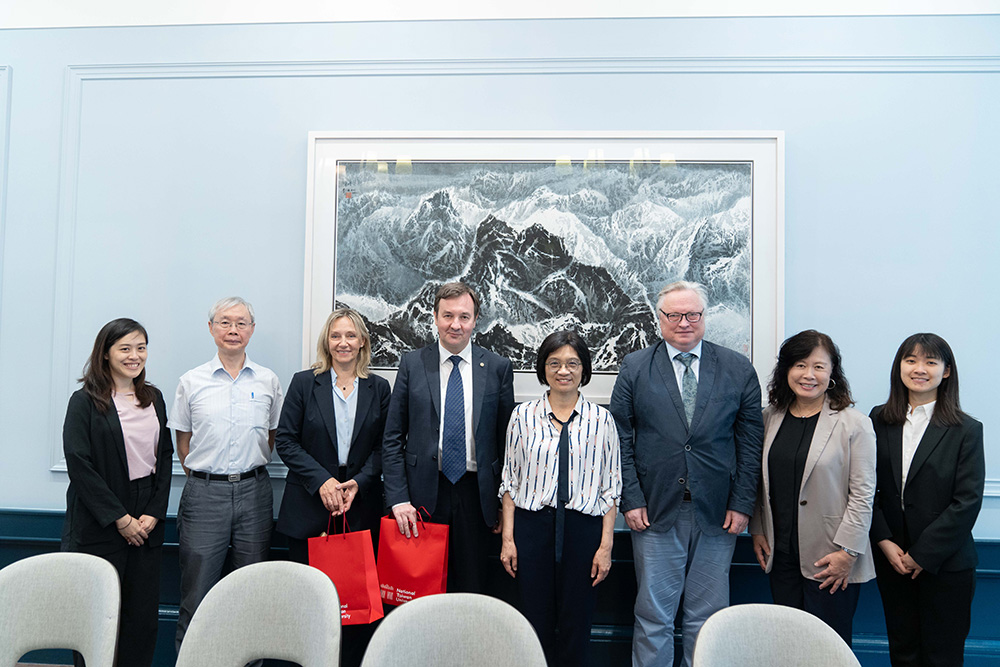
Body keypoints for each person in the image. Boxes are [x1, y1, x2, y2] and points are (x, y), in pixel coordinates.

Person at [609, 280, 764, 667]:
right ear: (659, 318)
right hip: (654, 510)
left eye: (692, 314)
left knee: (708, 617)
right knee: (653, 616)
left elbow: (750, 443)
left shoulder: (737, 368)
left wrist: (743, 503)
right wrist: (631, 498)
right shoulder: (635, 367)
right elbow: (620, 438)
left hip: (718, 512)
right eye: (675, 315)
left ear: (704, 317)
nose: (684, 323)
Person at [275, 308, 391, 667]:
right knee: (308, 607)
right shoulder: (303, 383)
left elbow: (385, 447)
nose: (343, 342)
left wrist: (359, 482)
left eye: (351, 335)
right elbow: (286, 441)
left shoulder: (379, 388)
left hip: (360, 510)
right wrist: (322, 481)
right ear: (327, 341)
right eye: (336, 335)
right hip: (308, 509)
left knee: (357, 612)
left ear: (362, 342)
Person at [382, 281, 515, 593]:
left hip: (477, 496)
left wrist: (502, 502)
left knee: (472, 588)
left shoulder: (497, 368)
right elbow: (392, 438)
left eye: (464, 317)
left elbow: (507, 442)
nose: (456, 325)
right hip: (422, 496)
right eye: (448, 316)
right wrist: (398, 498)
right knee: (422, 593)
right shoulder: (412, 364)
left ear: (475, 320)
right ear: (435, 317)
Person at [499, 329, 621, 667]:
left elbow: (611, 488)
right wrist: (508, 540)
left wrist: (606, 547)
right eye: (554, 363)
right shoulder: (522, 417)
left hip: (583, 532)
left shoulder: (602, 420)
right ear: (543, 368)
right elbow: (510, 481)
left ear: (584, 369)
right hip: (532, 529)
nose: (563, 371)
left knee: (576, 625)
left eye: (572, 363)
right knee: (532, 623)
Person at [169, 296, 284, 655]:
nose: (233, 330)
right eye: (224, 322)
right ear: (211, 328)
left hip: (254, 492)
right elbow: (184, 445)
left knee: (251, 595)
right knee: (197, 597)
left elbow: (271, 436)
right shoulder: (191, 381)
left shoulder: (268, 381)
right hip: (205, 495)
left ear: (252, 329)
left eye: (241, 323)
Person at [749, 330, 876, 646]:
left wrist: (847, 552)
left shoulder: (854, 423)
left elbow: (863, 494)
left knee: (828, 648)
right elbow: (758, 482)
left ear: (832, 373)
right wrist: (758, 530)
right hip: (780, 554)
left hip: (831, 557)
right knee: (789, 644)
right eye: (800, 365)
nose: (809, 375)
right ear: (786, 370)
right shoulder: (769, 418)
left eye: (819, 366)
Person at [62, 318, 173, 667]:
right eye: (125, 348)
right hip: (100, 518)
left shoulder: (153, 398)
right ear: (106, 353)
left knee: (140, 621)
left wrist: (154, 511)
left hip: (146, 517)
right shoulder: (84, 401)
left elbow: (164, 457)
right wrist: (120, 519)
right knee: (95, 617)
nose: (134, 356)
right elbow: (79, 464)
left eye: (141, 348)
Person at [870, 333, 985, 666]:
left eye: (930, 362)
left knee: (942, 657)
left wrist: (921, 555)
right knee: (902, 652)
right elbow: (864, 487)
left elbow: (967, 501)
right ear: (899, 367)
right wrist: (884, 541)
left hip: (947, 564)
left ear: (946, 371)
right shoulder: (878, 419)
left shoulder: (966, 429)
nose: (919, 369)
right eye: (911, 360)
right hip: (892, 559)